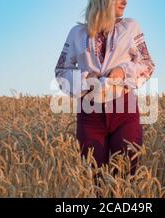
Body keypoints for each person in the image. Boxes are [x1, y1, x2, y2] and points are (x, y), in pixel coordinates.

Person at [54, 0, 155, 176]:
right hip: (90, 114)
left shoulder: (131, 27)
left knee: (124, 177)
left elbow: (147, 64)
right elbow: (61, 71)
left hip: (125, 110)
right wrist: (86, 79)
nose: (125, 1)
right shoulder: (76, 33)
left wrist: (123, 71)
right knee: (94, 179)